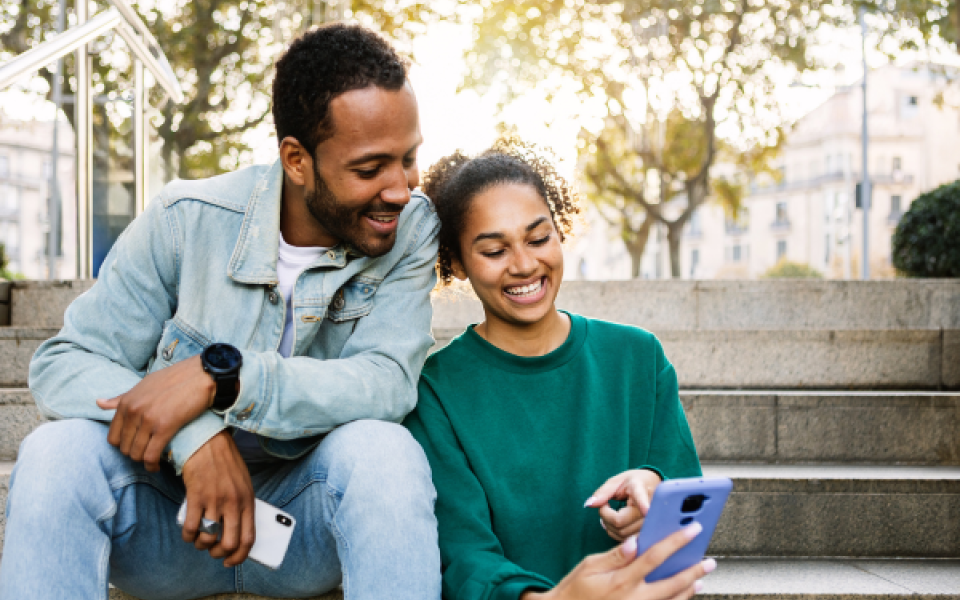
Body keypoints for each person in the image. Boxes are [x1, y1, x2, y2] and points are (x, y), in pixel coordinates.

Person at [0, 23, 441, 600]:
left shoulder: (410, 228)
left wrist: (226, 381)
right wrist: (196, 436)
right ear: (296, 159)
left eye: (408, 159)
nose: (400, 189)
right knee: (54, 453)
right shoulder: (187, 219)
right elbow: (67, 363)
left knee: (386, 453)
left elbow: (386, 383)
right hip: (171, 523)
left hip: (302, 529)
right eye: (369, 169)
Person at [403, 138, 712, 600]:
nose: (525, 264)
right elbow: (464, 555)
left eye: (538, 237)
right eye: (494, 250)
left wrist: (656, 489)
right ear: (458, 264)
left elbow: (688, 505)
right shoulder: (435, 391)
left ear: (559, 231)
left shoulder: (638, 358)